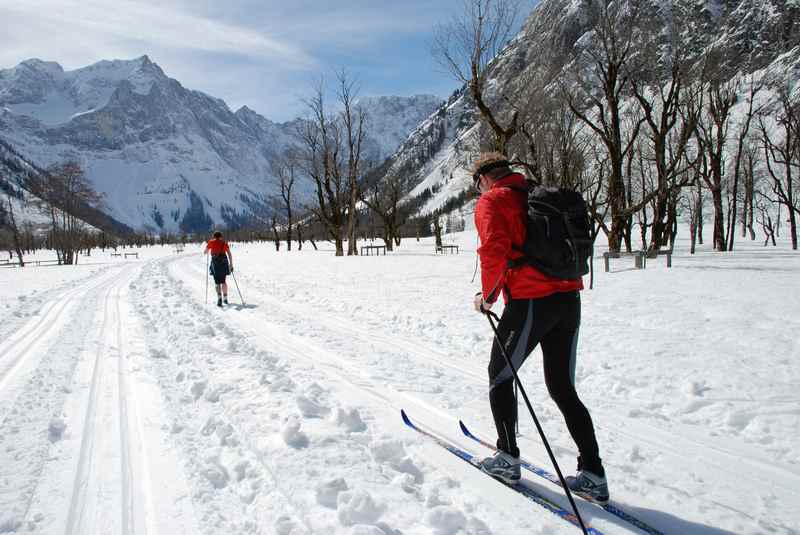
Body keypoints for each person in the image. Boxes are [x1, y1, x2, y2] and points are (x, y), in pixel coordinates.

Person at [471, 152, 608, 503]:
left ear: (484, 178)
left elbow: (493, 251)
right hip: (569, 300)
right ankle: (593, 474)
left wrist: (488, 297)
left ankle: (506, 458)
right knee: (562, 386)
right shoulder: (533, 194)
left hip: (532, 300)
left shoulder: (492, 200)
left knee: (500, 375)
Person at [204, 230, 234, 307]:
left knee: (217, 282)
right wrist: (231, 265)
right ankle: (225, 298)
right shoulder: (224, 243)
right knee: (223, 281)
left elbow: (205, 252)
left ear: (214, 236)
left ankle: (219, 298)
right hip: (224, 263)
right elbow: (229, 254)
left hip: (215, 263)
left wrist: (208, 250)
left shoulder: (211, 242)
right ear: (220, 236)